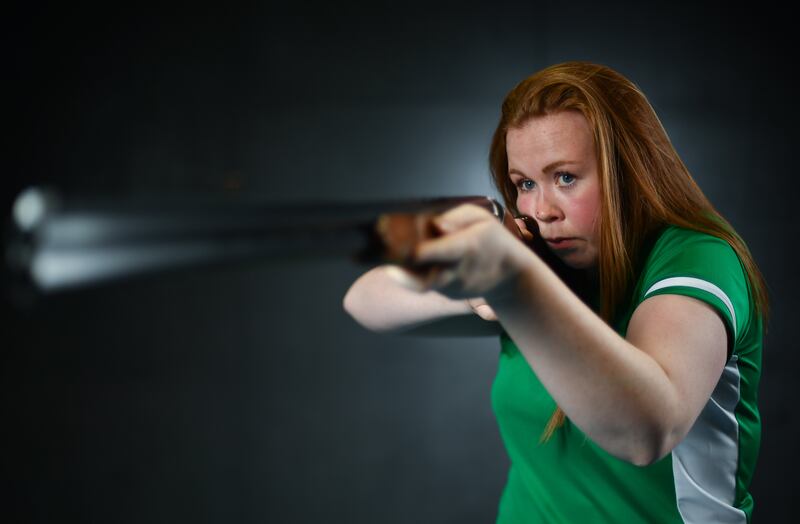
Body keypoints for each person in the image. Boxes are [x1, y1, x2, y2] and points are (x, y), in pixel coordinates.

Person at [343, 61, 769, 523]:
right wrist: (477, 286)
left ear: (628, 172)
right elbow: (364, 300)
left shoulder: (698, 257)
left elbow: (644, 433)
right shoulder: (538, 259)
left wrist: (516, 285)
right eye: (525, 184)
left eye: (564, 177)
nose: (541, 209)